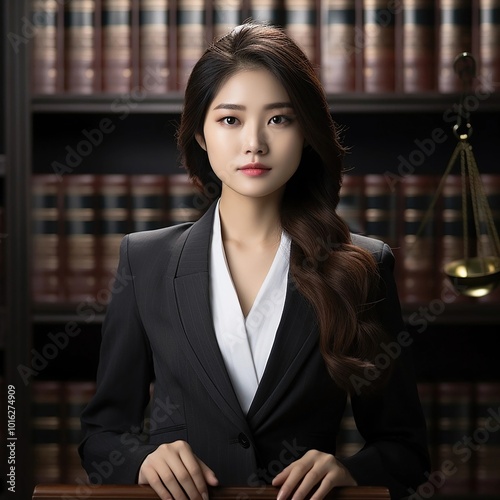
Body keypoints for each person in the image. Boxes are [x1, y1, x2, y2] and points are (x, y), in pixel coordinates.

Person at [79, 22, 430, 500]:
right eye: (230, 119)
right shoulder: (145, 261)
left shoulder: (364, 267)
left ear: (306, 131)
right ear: (200, 134)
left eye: (279, 119)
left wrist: (351, 470)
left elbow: (405, 451)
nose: (254, 144)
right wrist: (142, 459)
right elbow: (100, 437)